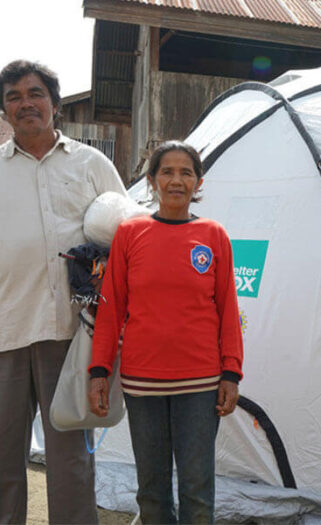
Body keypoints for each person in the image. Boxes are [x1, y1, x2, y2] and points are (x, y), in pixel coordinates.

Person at [0, 60, 127, 524]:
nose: (25, 103)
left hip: (71, 334)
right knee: (3, 454)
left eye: (35, 93)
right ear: (3, 112)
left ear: (55, 103)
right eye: (13, 97)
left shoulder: (92, 164)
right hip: (3, 332)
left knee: (70, 454)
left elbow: (127, 239)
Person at [88, 140, 243, 524]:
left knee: (197, 491)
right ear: (151, 180)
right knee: (152, 493)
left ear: (199, 181)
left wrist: (231, 373)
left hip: (201, 382)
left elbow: (227, 310)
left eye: (186, 172)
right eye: (167, 171)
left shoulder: (214, 235)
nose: (177, 180)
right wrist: (99, 371)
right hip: (143, 383)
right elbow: (111, 309)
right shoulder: (129, 233)